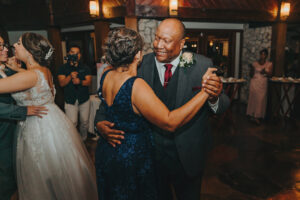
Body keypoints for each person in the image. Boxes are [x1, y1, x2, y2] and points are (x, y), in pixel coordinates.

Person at [95, 19, 230, 200]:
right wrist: (99, 123)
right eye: (157, 38)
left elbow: (223, 104)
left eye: (166, 40)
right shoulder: (141, 64)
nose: (159, 45)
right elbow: (111, 100)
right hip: (150, 158)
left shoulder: (201, 65)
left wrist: (213, 96)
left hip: (188, 156)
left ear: (182, 43)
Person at [0, 32, 98, 200]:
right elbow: (26, 77)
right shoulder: (43, 70)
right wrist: (16, 68)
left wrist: (15, 69)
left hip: (37, 127)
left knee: (40, 173)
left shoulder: (29, 75)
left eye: (18, 43)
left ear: (29, 52)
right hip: (52, 123)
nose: (13, 46)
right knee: (57, 172)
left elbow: (23, 80)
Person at [0, 35, 47, 200]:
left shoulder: (11, 71)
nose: (7, 48)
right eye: (1, 47)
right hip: (3, 133)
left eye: (5, 45)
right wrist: (22, 111)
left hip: (20, 130)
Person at [58, 45, 92, 141]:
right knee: (72, 123)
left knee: (84, 122)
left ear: (80, 55)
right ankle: (74, 142)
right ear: (68, 53)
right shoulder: (63, 68)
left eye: (77, 53)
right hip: (70, 99)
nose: (75, 55)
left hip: (84, 99)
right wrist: (69, 76)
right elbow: (61, 83)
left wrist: (80, 82)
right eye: (72, 52)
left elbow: (89, 82)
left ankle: (83, 140)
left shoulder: (85, 68)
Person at [247, 48, 272, 125]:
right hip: (254, 82)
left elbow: (270, 75)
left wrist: (265, 72)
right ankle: (252, 115)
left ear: (266, 55)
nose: (262, 56)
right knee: (253, 98)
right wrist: (251, 68)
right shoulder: (254, 64)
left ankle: (258, 116)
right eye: (261, 54)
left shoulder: (269, 64)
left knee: (260, 100)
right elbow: (251, 75)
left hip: (263, 83)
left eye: (264, 54)